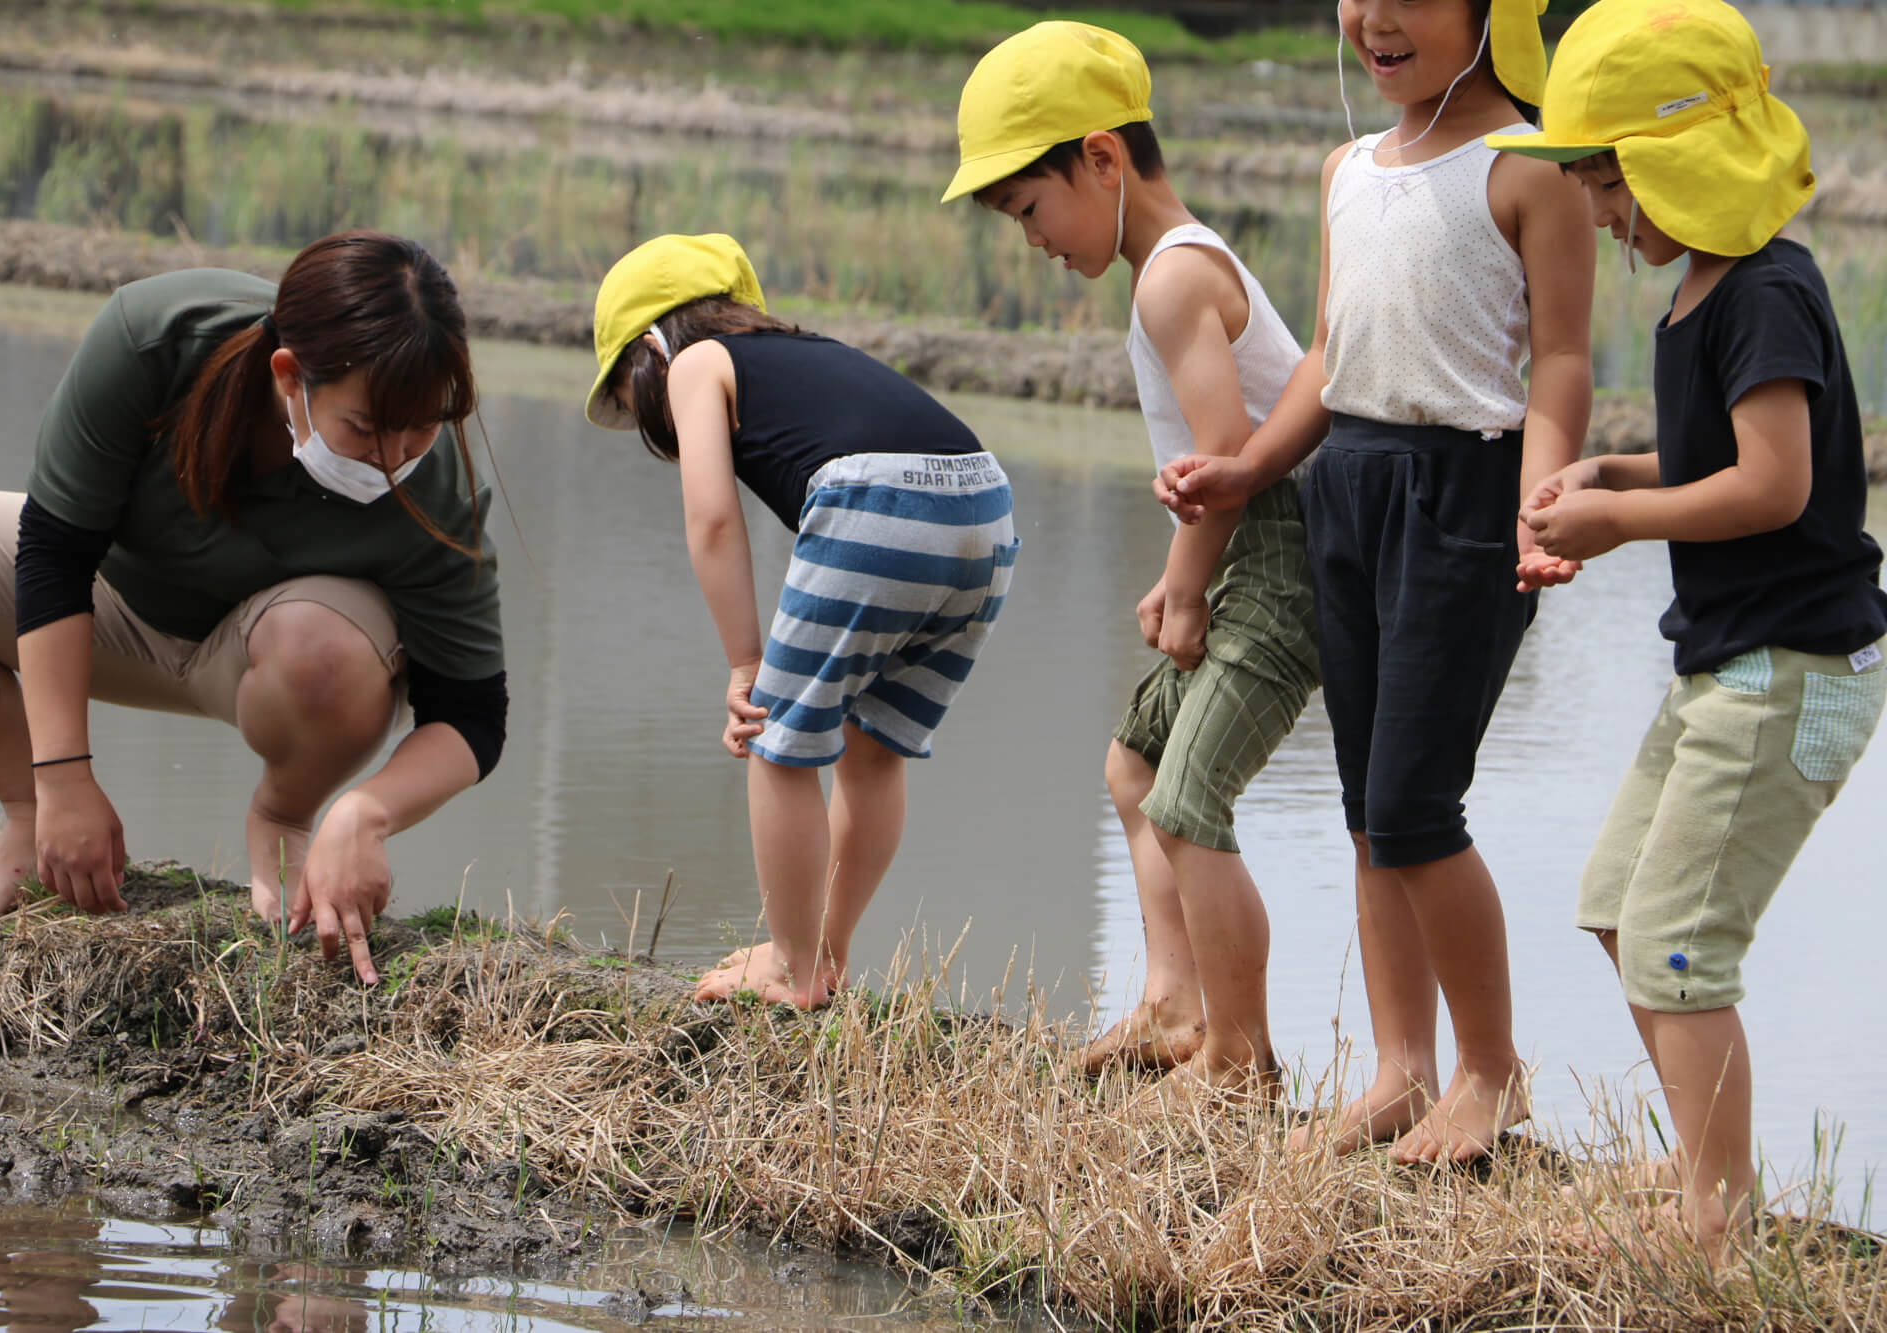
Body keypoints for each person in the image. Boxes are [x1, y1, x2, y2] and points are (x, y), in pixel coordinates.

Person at [1158, 0, 1594, 1160]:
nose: (1373, 19)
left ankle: (1488, 1075)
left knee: (1412, 807)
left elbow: (1556, 356)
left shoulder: (1526, 166)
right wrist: (1247, 466)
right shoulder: (1343, 166)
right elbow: (1325, 350)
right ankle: (1401, 1071)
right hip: (1341, 484)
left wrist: (1536, 507)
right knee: (1364, 808)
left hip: (1463, 494)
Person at [1488, 0, 1887, 1258]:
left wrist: (1623, 523)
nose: (1601, 214)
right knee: (1619, 907)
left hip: (1795, 671)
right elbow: (1729, 456)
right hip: (1731, 664)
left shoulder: (1761, 289)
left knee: (1676, 945)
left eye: (1609, 183)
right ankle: (1704, 1180)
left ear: (1679, 158)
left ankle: (1716, 1226)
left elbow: (1771, 484)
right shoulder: (1710, 287)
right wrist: (1614, 468)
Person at [0, 232, 507, 985]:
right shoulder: (157, 336)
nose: (395, 457)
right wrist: (59, 781)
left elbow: (472, 715)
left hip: (276, 653)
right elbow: (52, 552)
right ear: (289, 375)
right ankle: (25, 813)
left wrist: (366, 811)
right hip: (110, 596)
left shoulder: (437, 490)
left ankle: (283, 818)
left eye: (422, 429)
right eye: (367, 429)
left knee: (322, 647)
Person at [944, 21, 1318, 1098]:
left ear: (1100, 160)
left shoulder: (1169, 281)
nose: (1033, 239)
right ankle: (1171, 1002)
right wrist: (1176, 572)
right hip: (1247, 546)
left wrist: (1193, 588)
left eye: (1029, 209)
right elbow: (1213, 469)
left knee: (1187, 801)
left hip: (1281, 560)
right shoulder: (1168, 269)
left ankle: (1239, 1057)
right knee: (1134, 765)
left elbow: (1226, 457)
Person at [584, 233, 1018, 1009]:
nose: (642, 414)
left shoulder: (693, 362)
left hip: (878, 507)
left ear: (648, 345)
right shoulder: (802, 350)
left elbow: (712, 521)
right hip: (985, 506)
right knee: (872, 745)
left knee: (777, 742)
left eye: (626, 393)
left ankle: (792, 965)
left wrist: (745, 666)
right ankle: (824, 948)